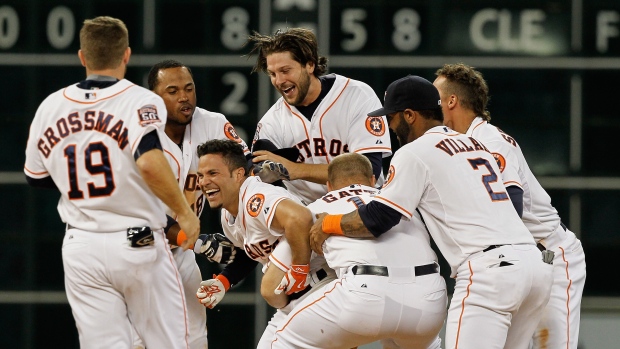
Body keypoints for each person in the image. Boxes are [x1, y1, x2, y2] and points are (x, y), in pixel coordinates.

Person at [310, 75, 554, 349]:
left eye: (392, 117)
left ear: (410, 115)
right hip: (535, 267)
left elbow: (378, 219)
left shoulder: (414, 152)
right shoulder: (477, 145)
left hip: (491, 273)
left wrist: (327, 224)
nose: (390, 126)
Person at [23, 16, 200, 348]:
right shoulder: (139, 100)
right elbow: (148, 161)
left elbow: (37, 178)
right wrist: (184, 212)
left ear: (82, 57)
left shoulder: (50, 107)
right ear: (126, 55)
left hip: (81, 246)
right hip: (138, 242)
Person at [433, 63, 587, 349]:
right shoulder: (455, 144)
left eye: (436, 96)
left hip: (549, 254)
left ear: (451, 100)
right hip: (513, 263)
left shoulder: (491, 141)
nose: (430, 103)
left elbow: (510, 206)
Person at [270, 153, 447, 349]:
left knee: (281, 341)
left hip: (364, 296)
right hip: (428, 298)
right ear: (373, 180)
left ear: (329, 186)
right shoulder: (396, 203)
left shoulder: (317, 208)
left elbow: (271, 286)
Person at [131, 59, 250, 348]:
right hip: (136, 250)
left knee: (194, 339)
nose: (184, 97)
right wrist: (201, 243)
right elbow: (144, 218)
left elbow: (246, 170)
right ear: (154, 99)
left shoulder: (212, 123)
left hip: (180, 252)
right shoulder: (139, 137)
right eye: (172, 91)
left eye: (189, 88)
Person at [245, 27, 392, 205]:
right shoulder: (271, 123)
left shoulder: (356, 96)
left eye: (285, 70)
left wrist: (295, 169)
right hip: (308, 218)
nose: (279, 80)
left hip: (364, 207)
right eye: (273, 74)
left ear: (310, 65)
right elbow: (255, 180)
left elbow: (369, 173)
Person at [193, 139, 313, 311]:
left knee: (269, 290)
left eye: (213, 173)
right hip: (297, 294)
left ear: (238, 174)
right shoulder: (228, 214)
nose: (204, 182)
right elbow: (249, 251)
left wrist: (300, 269)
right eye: (201, 176)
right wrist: (224, 280)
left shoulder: (256, 197)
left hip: (321, 280)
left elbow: (300, 218)